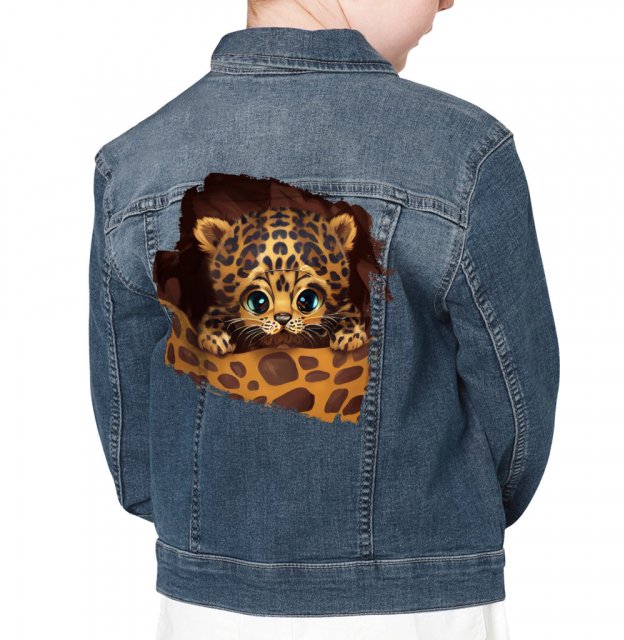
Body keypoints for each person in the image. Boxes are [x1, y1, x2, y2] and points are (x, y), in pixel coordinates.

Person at [88, 1, 560, 639]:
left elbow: (134, 446)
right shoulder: (464, 154)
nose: (450, 0)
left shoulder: (135, 165)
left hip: (210, 607)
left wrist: (209, 533)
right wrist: (442, 521)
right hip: (422, 606)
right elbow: (517, 420)